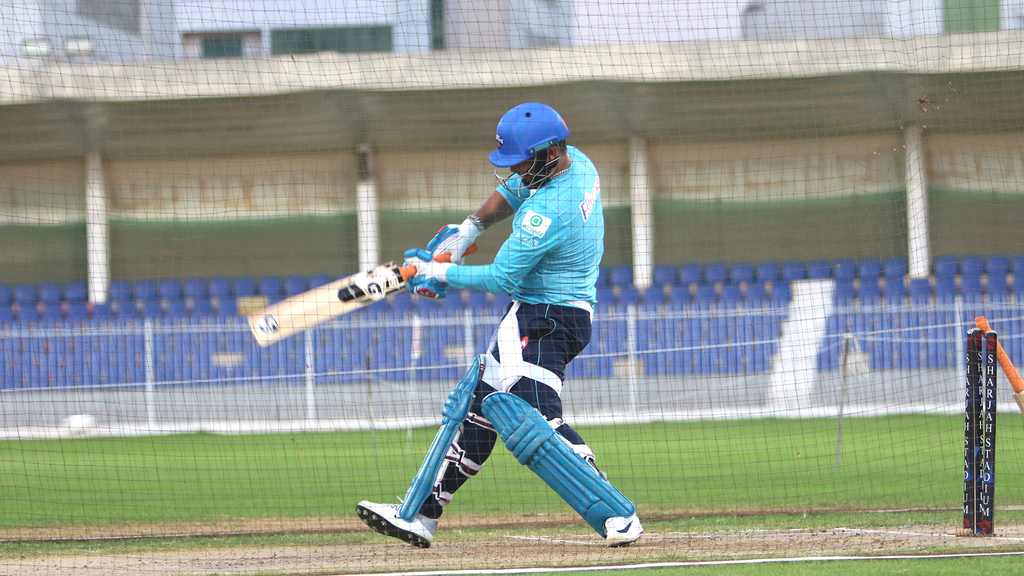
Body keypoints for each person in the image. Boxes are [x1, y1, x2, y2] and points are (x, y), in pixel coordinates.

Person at [356, 103, 642, 548]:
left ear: (548, 153)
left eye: (522, 161)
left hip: (545, 317)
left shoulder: (547, 212)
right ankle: (420, 516)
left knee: (532, 417)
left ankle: (613, 509)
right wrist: (469, 229)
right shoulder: (577, 162)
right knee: (476, 411)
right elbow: (512, 191)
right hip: (551, 312)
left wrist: (438, 273)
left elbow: (502, 277)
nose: (516, 171)